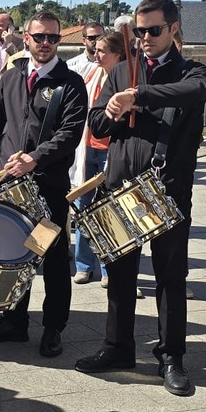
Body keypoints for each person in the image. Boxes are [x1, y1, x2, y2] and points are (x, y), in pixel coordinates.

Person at [74, 0, 206, 398]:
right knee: (120, 273)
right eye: (140, 31)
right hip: (122, 184)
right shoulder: (121, 69)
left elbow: (191, 91)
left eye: (154, 30)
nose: (145, 38)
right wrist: (113, 111)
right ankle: (118, 347)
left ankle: (171, 357)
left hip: (167, 187)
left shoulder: (194, 71)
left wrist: (139, 96)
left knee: (170, 276)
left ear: (173, 29)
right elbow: (97, 121)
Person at [0, 11, 87, 358]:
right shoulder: (10, 77)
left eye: (53, 37)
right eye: (39, 37)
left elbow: (70, 134)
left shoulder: (70, 83)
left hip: (48, 186)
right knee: (11, 254)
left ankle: (53, 328)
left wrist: (35, 158)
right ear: (26, 38)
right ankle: (13, 321)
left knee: (53, 260)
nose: (46, 43)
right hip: (8, 186)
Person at [69, 31, 128, 287]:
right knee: (83, 206)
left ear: (118, 54)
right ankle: (83, 265)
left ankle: (108, 268)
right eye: (95, 50)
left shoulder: (127, 79)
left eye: (103, 51)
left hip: (111, 150)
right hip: (88, 148)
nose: (96, 55)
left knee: (109, 208)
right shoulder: (91, 74)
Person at [0, 12, 24, 83]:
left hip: (11, 85)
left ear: (10, 28)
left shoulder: (22, 44)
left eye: (0, 25)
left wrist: (9, 44)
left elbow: (20, 63)